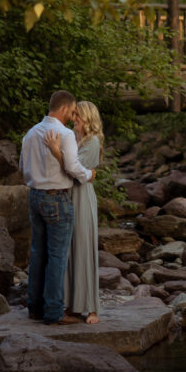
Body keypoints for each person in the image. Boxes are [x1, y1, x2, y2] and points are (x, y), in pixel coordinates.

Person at [19, 90, 94, 325]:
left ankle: (34, 307)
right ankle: (53, 312)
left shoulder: (30, 133)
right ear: (64, 109)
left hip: (34, 196)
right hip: (57, 198)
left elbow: (22, 166)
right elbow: (72, 167)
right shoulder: (65, 134)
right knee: (57, 257)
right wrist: (88, 175)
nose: (73, 116)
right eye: (73, 111)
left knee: (37, 253)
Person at [45, 100, 103, 324]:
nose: (73, 118)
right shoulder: (73, 137)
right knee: (69, 252)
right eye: (73, 114)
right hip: (67, 197)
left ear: (87, 118)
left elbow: (73, 171)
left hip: (82, 198)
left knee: (84, 249)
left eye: (77, 115)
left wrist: (55, 151)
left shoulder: (93, 142)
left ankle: (92, 308)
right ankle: (71, 305)